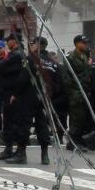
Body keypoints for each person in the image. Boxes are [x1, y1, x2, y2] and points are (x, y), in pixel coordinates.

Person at [0, 35, 33, 164]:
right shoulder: (14, 55)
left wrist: (15, 93)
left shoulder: (18, 55)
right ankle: (9, 149)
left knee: (18, 123)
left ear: (14, 42)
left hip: (16, 95)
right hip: (10, 93)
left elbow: (1, 66)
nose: (6, 43)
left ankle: (20, 153)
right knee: (9, 122)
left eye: (8, 41)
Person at [63, 34, 95, 151]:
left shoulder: (86, 55)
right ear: (77, 43)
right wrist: (73, 92)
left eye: (86, 43)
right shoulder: (70, 56)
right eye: (83, 43)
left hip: (86, 91)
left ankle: (79, 140)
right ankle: (72, 142)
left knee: (83, 118)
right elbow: (67, 77)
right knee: (76, 118)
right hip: (76, 92)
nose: (86, 45)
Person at [27, 37, 57, 165]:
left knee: (24, 124)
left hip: (30, 96)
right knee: (42, 126)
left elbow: (24, 77)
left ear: (38, 45)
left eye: (33, 43)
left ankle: (21, 152)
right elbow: (57, 82)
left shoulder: (31, 59)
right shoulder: (52, 62)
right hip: (46, 98)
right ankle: (44, 154)